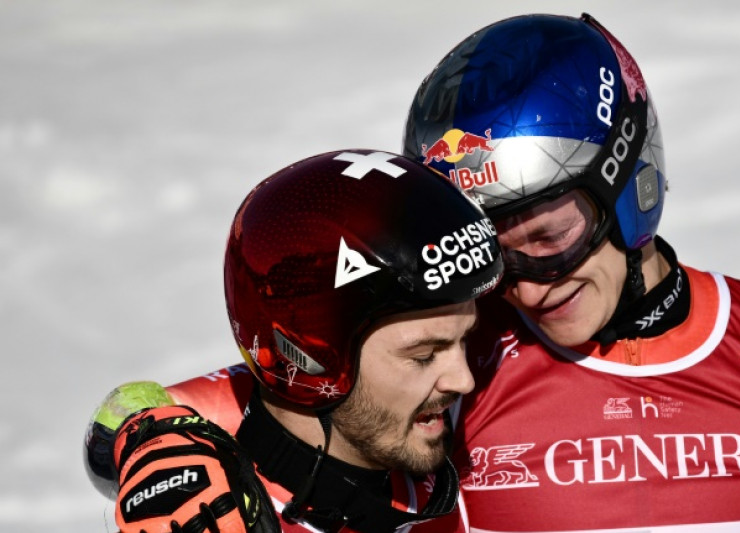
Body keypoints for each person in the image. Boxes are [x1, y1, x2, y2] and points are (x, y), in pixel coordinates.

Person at [398, 12, 740, 533]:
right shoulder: (451, 371)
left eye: (549, 237)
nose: (527, 284)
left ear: (625, 181)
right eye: (490, 252)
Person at [83, 149, 503, 533]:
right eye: (423, 355)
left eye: (465, 338)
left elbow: (128, 414)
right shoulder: (210, 515)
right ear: (314, 357)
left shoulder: (480, 405)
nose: (464, 380)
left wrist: (137, 434)